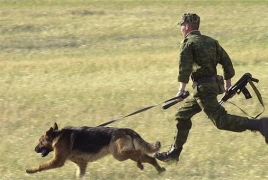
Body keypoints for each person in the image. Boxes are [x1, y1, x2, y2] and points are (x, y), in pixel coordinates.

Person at [154, 13, 268, 163]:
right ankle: (174, 154)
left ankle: (259, 124)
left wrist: (181, 91)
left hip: (203, 89)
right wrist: (228, 87)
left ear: (187, 26)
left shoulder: (187, 43)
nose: (181, 29)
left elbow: (184, 69)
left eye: (181, 26)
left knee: (221, 120)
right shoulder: (212, 41)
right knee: (182, 115)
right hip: (211, 87)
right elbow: (227, 64)